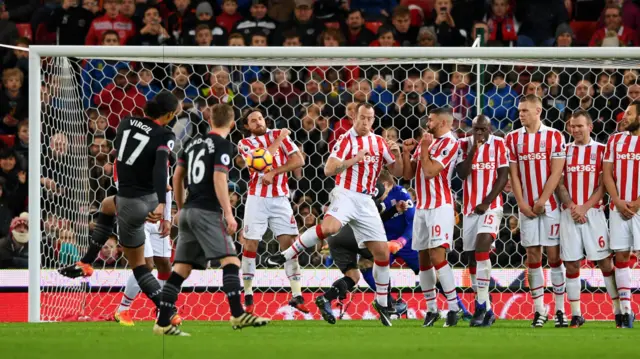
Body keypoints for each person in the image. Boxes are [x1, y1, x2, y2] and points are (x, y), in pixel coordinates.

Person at [267, 103, 404, 326]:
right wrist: (354, 160)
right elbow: (328, 170)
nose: (366, 123)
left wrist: (397, 155)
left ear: (373, 119)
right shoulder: (345, 140)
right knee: (330, 227)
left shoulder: (379, 142)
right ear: (354, 117)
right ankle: (287, 254)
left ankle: (382, 303)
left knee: (382, 254)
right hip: (346, 192)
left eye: (369, 119)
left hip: (367, 201)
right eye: (362, 118)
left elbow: (397, 172)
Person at [61, 91, 179, 331]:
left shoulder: (125, 124)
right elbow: (160, 170)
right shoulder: (164, 135)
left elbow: (146, 163)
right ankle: (148, 308)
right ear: (168, 115)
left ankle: (164, 308)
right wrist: (161, 204)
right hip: (146, 201)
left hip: (131, 201)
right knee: (109, 208)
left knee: (145, 265)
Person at [156, 104, 270, 335]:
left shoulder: (191, 143)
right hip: (207, 211)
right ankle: (238, 314)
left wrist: (180, 207)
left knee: (181, 269)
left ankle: (162, 323)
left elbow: (177, 176)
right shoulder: (223, 145)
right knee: (231, 262)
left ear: (209, 121)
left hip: (188, 211)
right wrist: (228, 213)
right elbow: (219, 177)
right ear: (232, 123)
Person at [505, 94, 567, 328]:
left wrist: (542, 199)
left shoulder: (554, 135)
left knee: (554, 257)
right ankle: (540, 310)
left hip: (550, 206)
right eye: (520, 111)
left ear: (538, 111)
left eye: (525, 111)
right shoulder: (512, 138)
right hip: (527, 207)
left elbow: (556, 172)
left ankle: (560, 309)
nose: (521, 114)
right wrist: (521, 203)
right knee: (532, 256)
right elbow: (514, 174)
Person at [237, 109, 307, 314]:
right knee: (251, 244)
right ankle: (248, 296)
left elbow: (299, 161)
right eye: (253, 120)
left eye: (260, 118)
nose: (258, 122)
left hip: (280, 198)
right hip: (256, 198)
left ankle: (296, 295)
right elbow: (261, 160)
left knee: (291, 245)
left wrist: (276, 172)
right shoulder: (245, 144)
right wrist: (280, 138)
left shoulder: (278, 134)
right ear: (247, 127)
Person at [555, 110, 620, 328]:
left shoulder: (602, 151)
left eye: (580, 126)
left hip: (594, 213)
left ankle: (619, 311)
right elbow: (559, 182)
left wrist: (584, 207)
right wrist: (573, 206)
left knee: (604, 263)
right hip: (569, 213)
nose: (575, 130)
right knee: (572, 264)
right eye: (572, 126)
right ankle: (576, 314)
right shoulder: (563, 151)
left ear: (590, 127)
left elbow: (604, 185)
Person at [401, 107, 461, 328]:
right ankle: (431, 309)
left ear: (444, 123)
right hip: (422, 207)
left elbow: (430, 171)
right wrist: (407, 153)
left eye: (431, 119)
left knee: (438, 255)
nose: (428, 122)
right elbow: (408, 175)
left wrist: (423, 148)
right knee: (423, 259)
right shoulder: (428, 141)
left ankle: (454, 309)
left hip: (440, 206)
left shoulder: (449, 143)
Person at [455, 115, 509, 327]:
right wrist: (473, 151)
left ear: (490, 129)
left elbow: (503, 176)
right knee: (471, 259)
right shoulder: (463, 144)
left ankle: (480, 306)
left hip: (491, 207)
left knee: (481, 248)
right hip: (469, 210)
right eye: (476, 129)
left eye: (483, 130)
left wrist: (487, 202)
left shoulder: (499, 144)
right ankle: (486, 307)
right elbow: (461, 173)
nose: (479, 133)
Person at [112, 159, 174, 326]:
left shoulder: (162, 157)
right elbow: (124, 189)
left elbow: (167, 189)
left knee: (165, 264)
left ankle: (161, 310)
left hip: (157, 219)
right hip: (135, 218)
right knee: (145, 265)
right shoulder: (123, 158)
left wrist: (167, 218)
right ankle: (122, 309)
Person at [602, 100, 640, 329]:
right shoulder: (615, 140)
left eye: (629, 113)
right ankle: (625, 311)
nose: (624, 116)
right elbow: (607, 174)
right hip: (618, 208)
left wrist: (636, 203)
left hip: (637, 207)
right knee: (621, 257)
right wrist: (617, 201)